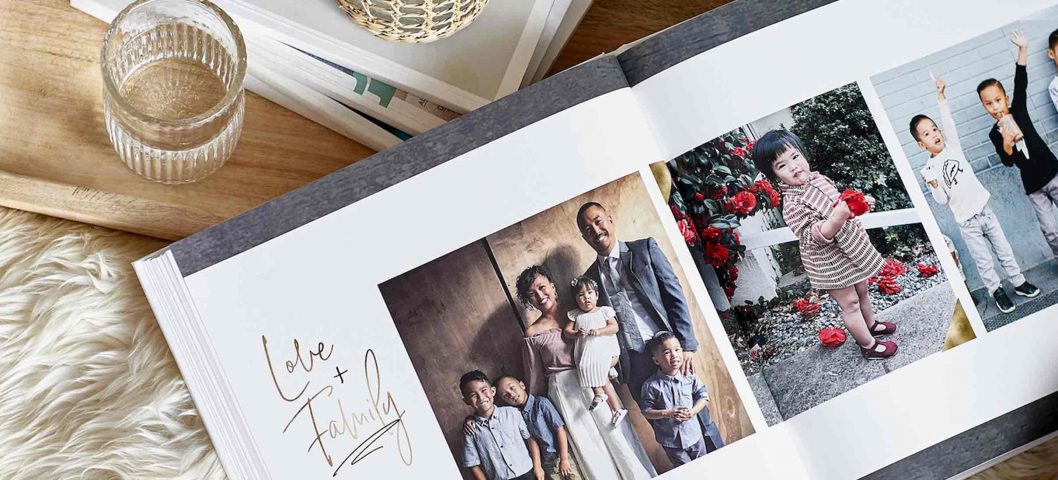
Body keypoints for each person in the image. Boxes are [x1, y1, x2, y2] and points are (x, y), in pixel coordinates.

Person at [752, 129, 898, 359]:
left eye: (795, 156)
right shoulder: (792, 204)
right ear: (774, 176)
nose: (793, 166)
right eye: (781, 166)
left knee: (862, 289)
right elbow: (815, 235)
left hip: (848, 247)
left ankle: (870, 323)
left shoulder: (819, 179)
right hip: (828, 260)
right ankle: (868, 345)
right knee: (849, 302)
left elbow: (840, 202)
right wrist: (839, 215)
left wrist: (858, 203)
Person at [911, 74, 1039, 314]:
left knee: (1004, 250)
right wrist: (934, 184)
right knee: (984, 261)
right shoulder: (929, 170)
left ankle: (1019, 282)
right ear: (921, 144)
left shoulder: (953, 147)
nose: (935, 134)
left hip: (985, 212)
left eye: (934, 129)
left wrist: (941, 97)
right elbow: (941, 200)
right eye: (927, 134)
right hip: (967, 223)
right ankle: (996, 291)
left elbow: (948, 122)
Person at [518, 265, 656, 479]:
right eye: (532, 295)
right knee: (590, 445)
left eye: (542, 288)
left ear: (553, 286)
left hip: (596, 380)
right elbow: (535, 378)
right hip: (564, 392)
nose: (540, 296)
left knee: (617, 434)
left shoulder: (584, 309)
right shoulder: (533, 333)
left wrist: (611, 362)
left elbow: (611, 339)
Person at [981, 31, 1058, 262]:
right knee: (1051, 230)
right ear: (985, 107)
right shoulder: (994, 133)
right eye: (989, 104)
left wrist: (1022, 49)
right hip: (1033, 186)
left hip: (1053, 173)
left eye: (998, 100)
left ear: (1006, 99)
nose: (995, 107)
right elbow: (1008, 162)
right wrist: (1006, 143)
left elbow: (1020, 80)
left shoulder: (1020, 110)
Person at [640, 332, 717, 468]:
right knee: (687, 471)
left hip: (694, 435)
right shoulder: (650, 385)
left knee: (705, 466)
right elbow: (646, 411)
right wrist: (667, 413)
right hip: (671, 442)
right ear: (656, 360)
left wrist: (693, 411)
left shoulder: (689, 376)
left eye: (677, 349)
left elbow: (703, 396)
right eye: (667, 352)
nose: (674, 355)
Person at [564, 276, 627, 426]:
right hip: (587, 352)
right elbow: (566, 331)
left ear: (597, 295)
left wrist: (599, 331)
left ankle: (606, 399)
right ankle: (607, 400)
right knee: (585, 366)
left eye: (590, 293)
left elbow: (614, 327)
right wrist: (575, 333)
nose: (586, 297)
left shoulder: (603, 311)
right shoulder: (576, 315)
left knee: (596, 368)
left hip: (605, 349)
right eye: (581, 295)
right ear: (576, 300)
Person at [497, 375, 585, 480]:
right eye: (505, 396)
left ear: (522, 385)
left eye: (512, 388)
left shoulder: (541, 403)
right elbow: (532, 440)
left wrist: (564, 459)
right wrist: (538, 466)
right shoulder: (517, 416)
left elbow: (560, 429)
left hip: (562, 454)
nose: (511, 395)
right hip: (547, 462)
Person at [460, 370, 538, 480]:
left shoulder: (512, 413)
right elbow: (472, 464)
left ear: (492, 391)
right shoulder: (470, 430)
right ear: (466, 401)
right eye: (473, 395)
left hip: (528, 472)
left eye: (483, 390)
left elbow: (530, 438)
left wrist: (538, 467)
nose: (481, 397)